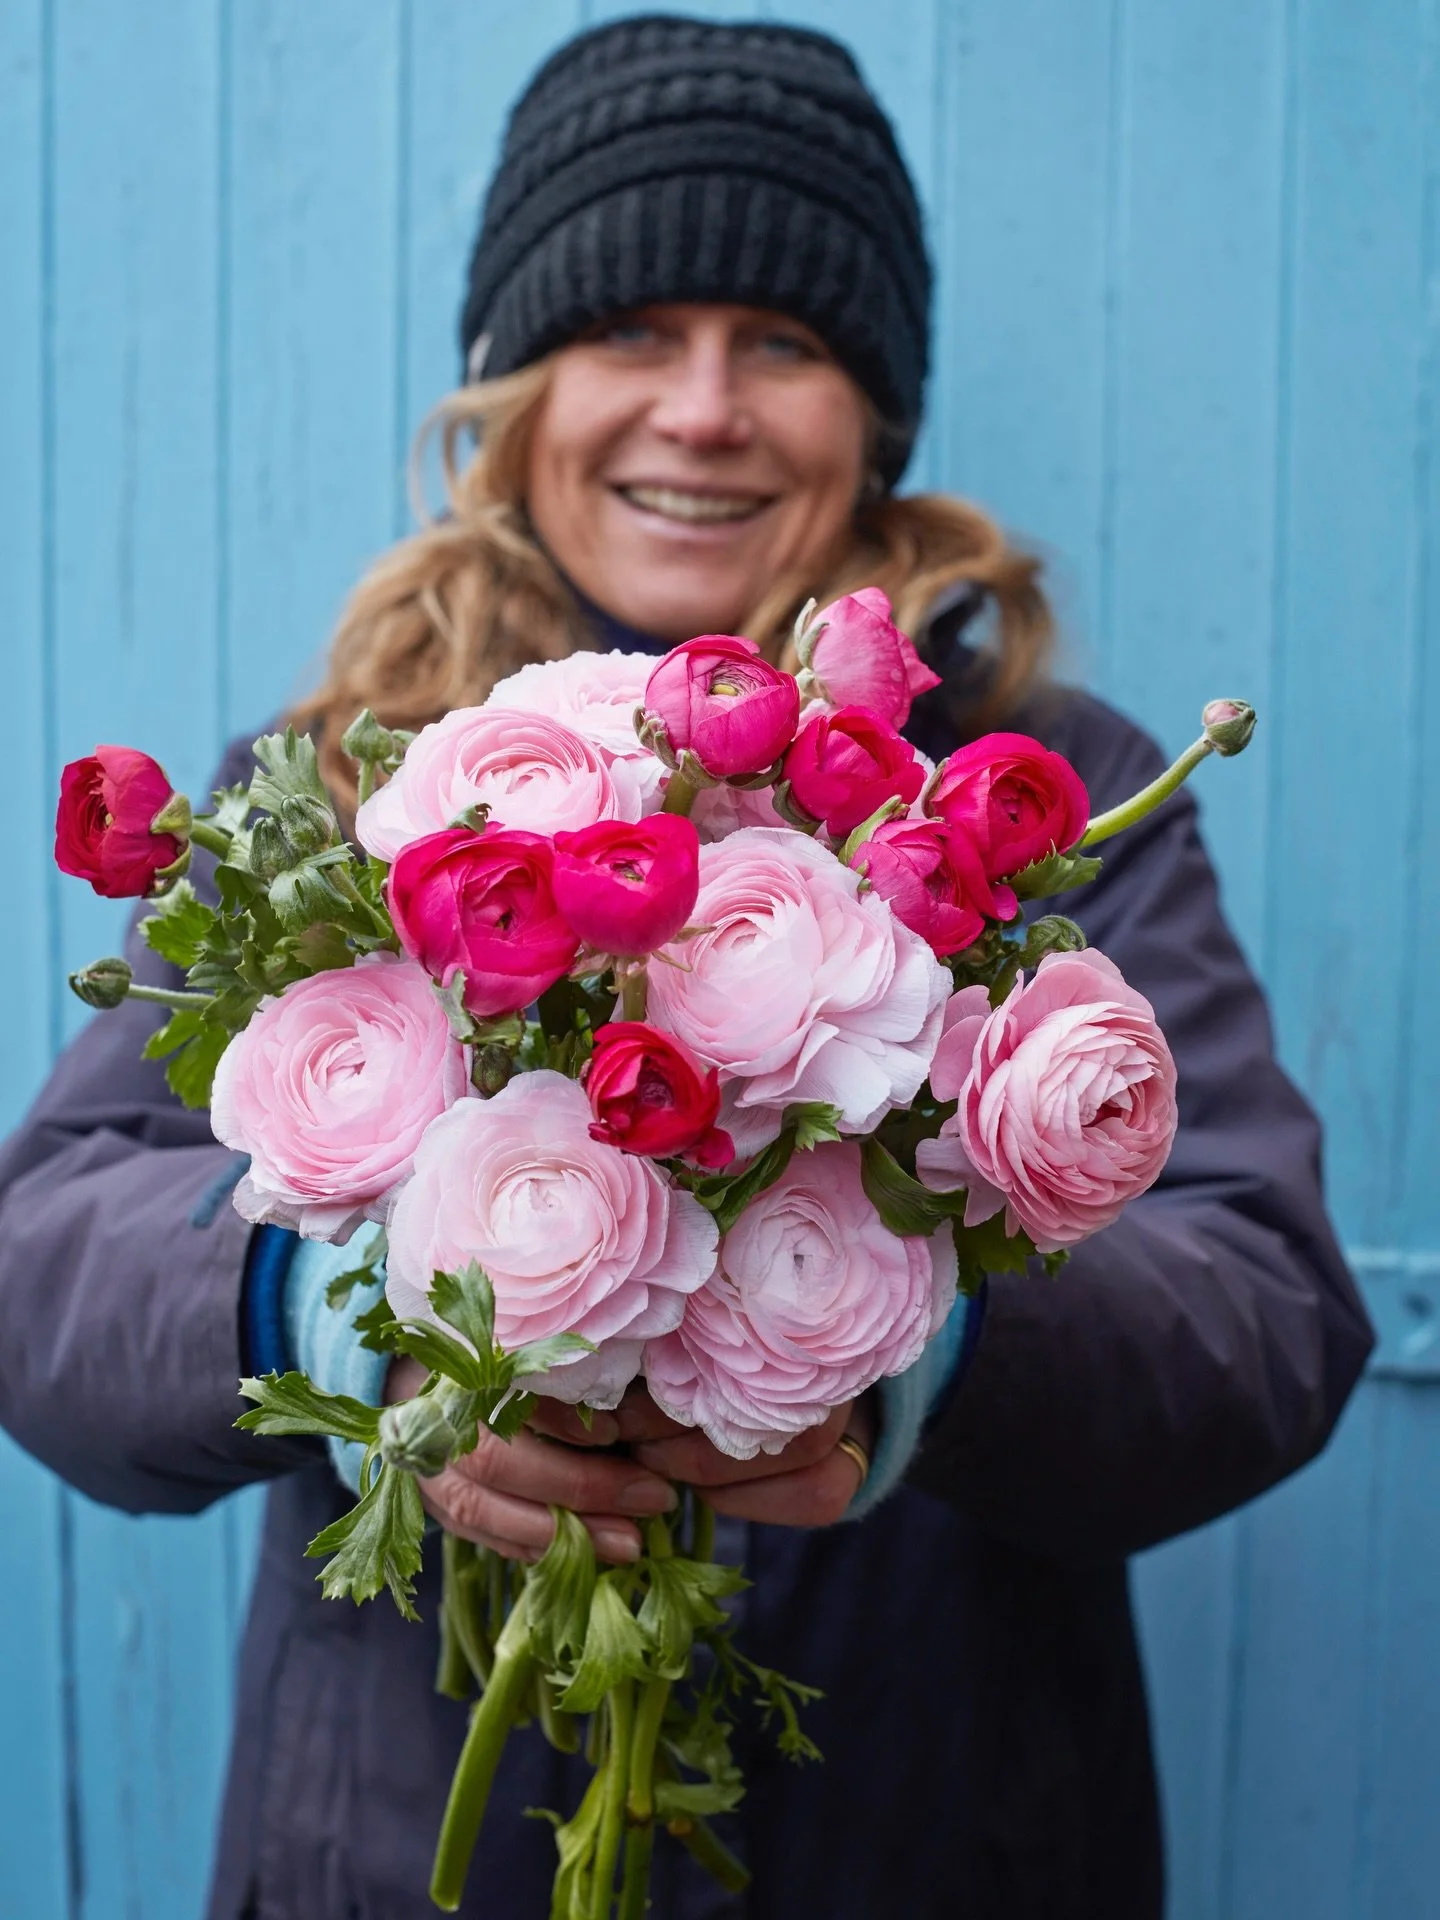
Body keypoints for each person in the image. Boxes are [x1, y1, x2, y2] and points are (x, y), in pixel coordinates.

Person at [0, 16, 1373, 1920]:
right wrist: (356, 1306)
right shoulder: (340, 788)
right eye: (633, 330)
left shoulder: (1034, 807)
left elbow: (1263, 1311)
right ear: (521, 392)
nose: (704, 410)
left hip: (932, 1846)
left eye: (782, 343)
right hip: (398, 1859)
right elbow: (44, 1264)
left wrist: (895, 1336)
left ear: (875, 414)